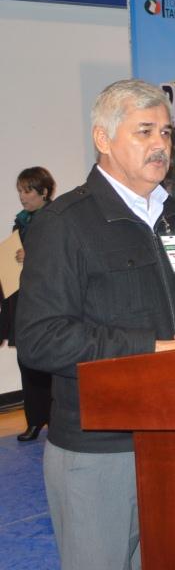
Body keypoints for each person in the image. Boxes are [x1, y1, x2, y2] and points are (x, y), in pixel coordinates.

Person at [16, 79, 175, 570]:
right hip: (101, 448)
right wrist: (155, 348)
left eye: (165, 132)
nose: (161, 144)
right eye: (144, 131)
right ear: (103, 138)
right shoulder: (63, 224)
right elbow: (39, 339)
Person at [0, 167, 55, 442]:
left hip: (51, 302)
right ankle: (34, 420)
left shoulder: (59, 220)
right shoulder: (19, 224)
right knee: (27, 361)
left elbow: (64, 260)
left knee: (52, 363)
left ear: (44, 192)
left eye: (28, 191)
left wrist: (32, 254)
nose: (22, 197)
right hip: (24, 301)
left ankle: (56, 419)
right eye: (20, 191)